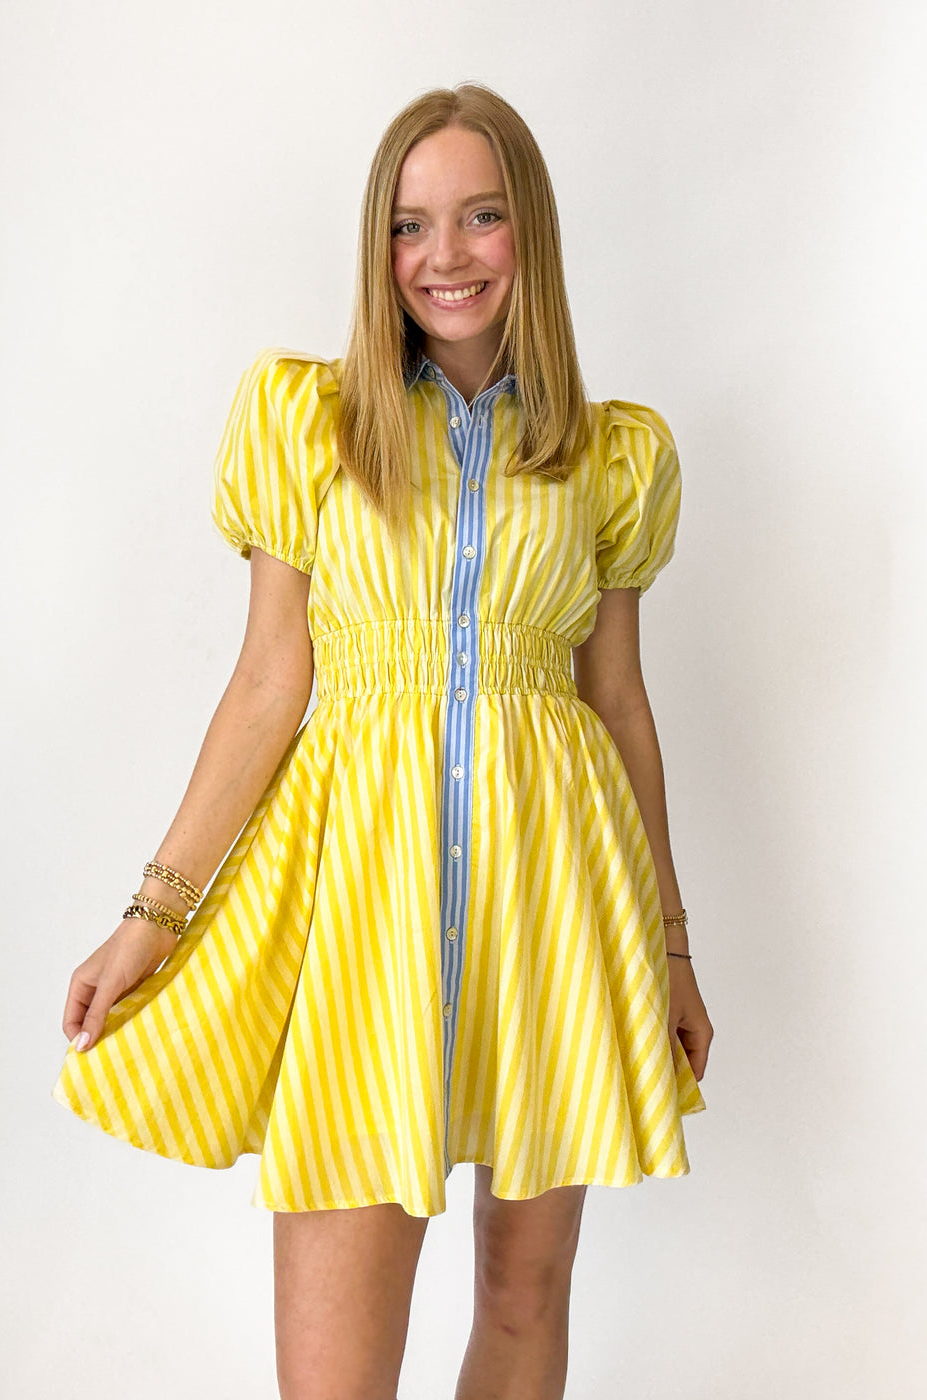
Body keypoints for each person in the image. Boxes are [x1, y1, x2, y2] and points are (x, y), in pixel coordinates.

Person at [54, 82, 714, 1400]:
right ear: (378, 246)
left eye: (481, 217)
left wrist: (670, 947)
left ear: (531, 231)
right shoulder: (311, 424)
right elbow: (266, 685)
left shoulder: (608, 455)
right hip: (362, 916)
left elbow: (620, 705)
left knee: (523, 1296)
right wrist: (154, 914)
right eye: (411, 226)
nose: (445, 255)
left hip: (551, 908)